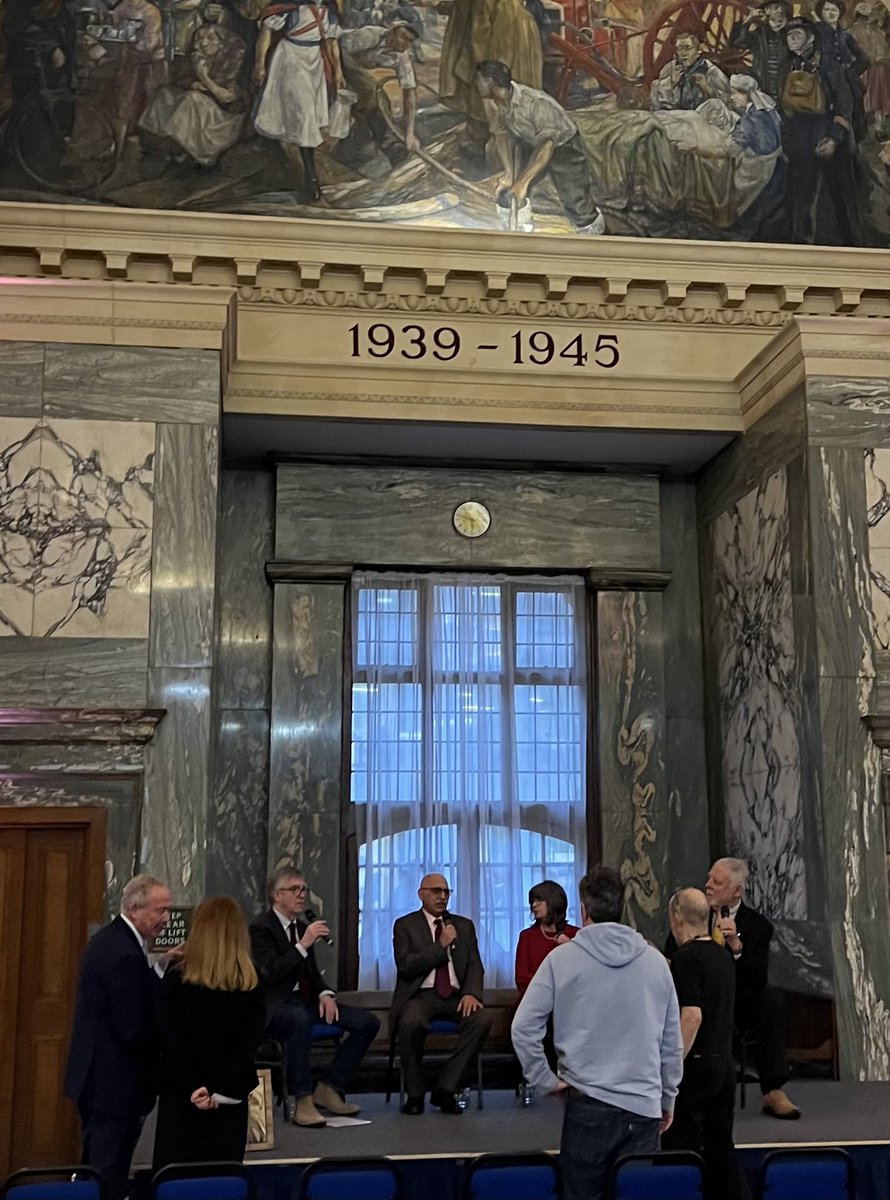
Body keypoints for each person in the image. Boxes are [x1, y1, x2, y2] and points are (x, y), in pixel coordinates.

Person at [511, 865, 683, 1200]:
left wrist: (544, 1080)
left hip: (587, 1104)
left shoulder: (562, 960)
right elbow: (670, 1041)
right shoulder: (655, 962)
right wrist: (668, 1096)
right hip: (644, 1105)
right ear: (622, 907)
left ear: (584, 909)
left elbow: (523, 1028)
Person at [64, 874, 173, 1200]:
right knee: (106, 1173)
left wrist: (159, 968)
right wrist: (171, 1043)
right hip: (113, 1085)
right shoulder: (124, 953)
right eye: (160, 911)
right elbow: (133, 1029)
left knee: (98, 1168)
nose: (166, 919)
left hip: (101, 1079)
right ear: (135, 908)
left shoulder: (113, 940)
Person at [249, 865, 380, 1127]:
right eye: (294, 889)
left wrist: (325, 994)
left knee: (367, 1022)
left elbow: (312, 975)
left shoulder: (302, 927)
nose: (301, 895)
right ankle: (302, 1100)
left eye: (303, 889)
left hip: (305, 1004)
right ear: (277, 895)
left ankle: (331, 1087)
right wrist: (303, 945)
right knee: (298, 1020)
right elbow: (270, 975)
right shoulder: (261, 928)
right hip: (275, 1007)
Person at [153, 897, 266, 1167]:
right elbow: (248, 1045)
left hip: (182, 1098)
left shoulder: (176, 979)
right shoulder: (252, 984)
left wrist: (194, 1088)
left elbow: (169, 1040)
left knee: (175, 1180)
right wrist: (217, 1089)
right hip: (228, 1099)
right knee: (223, 1181)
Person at [662, 888, 751, 1200]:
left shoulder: (686, 959)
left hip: (694, 1069)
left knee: (679, 1154)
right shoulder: (723, 956)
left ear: (676, 916)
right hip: (724, 1065)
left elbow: (692, 1017)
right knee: (722, 1153)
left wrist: (670, 1068)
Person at [706, 857, 801, 1119]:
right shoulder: (693, 913)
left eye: (717, 881)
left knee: (770, 999)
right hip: (700, 1000)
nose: (708, 885)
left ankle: (772, 1090)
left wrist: (736, 945)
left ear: (737, 891)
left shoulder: (758, 927)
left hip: (739, 1002)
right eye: (709, 879)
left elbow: (756, 977)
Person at [391, 872, 493, 1115]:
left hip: (457, 997)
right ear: (421, 894)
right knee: (411, 1022)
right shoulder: (405, 925)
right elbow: (406, 965)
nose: (442, 896)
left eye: (446, 892)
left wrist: (471, 993)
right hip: (421, 995)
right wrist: (440, 946)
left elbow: (474, 966)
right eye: (436, 891)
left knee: (482, 1019)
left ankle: (446, 1088)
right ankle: (415, 1094)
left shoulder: (463, 926)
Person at [475, 60, 605, 234]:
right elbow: (501, 135)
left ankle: (592, 233)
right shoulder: (492, 103)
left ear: (490, 81)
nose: (475, 84)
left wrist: (522, 182)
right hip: (530, 141)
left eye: (479, 80)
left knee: (576, 202)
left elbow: (547, 146)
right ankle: (518, 230)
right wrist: (509, 173)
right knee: (511, 193)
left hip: (562, 145)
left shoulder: (535, 102)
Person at [780, 17, 864, 245]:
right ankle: (802, 246)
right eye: (789, 35)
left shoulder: (828, 63)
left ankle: (852, 248)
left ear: (811, 37)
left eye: (797, 33)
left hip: (827, 129)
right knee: (802, 196)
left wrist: (835, 137)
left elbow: (845, 100)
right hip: (800, 135)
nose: (792, 38)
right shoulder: (788, 65)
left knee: (840, 196)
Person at [253, 0, 346, 201]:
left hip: (314, 63)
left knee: (307, 114)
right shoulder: (290, 9)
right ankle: (311, 177)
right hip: (291, 59)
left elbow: (332, 42)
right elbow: (266, 33)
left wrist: (338, 72)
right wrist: (260, 64)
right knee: (304, 114)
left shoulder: (328, 13)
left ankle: (303, 165)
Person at [439, 0, 543, 163]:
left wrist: (475, 64)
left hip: (499, 34)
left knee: (491, 92)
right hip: (517, 27)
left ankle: (493, 152)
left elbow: (480, 31)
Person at [339, 19, 421, 164]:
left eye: (409, 40)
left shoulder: (403, 57)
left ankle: (391, 146)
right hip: (335, 57)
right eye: (402, 36)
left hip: (357, 70)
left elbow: (410, 95)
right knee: (370, 91)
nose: (405, 43)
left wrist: (410, 133)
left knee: (379, 99)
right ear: (391, 33)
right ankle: (382, 142)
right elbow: (340, 48)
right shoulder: (370, 35)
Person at [514, 879, 579, 995]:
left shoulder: (576, 935)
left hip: (570, 1003)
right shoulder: (526, 937)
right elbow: (522, 979)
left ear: (553, 901)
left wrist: (571, 947)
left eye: (539, 901)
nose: (534, 905)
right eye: (532, 901)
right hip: (535, 1003)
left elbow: (583, 973)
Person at [815, 0, 868, 139]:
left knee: (850, 118)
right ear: (821, 13)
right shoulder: (816, 34)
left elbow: (864, 60)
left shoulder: (845, 36)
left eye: (834, 9)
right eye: (827, 9)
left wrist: (849, 71)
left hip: (847, 83)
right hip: (823, 83)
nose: (831, 13)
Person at [730, 0, 793, 101]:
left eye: (783, 7)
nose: (780, 10)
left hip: (785, 89)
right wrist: (748, 20)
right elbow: (736, 43)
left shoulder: (791, 32)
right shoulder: (759, 34)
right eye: (776, 7)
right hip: (763, 88)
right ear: (766, 11)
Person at [650, 33, 731, 110]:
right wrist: (671, 83)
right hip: (676, 116)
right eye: (679, 48)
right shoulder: (670, 68)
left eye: (688, 48)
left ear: (698, 51)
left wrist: (708, 88)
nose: (683, 53)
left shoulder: (711, 71)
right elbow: (657, 101)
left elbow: (728, 102)